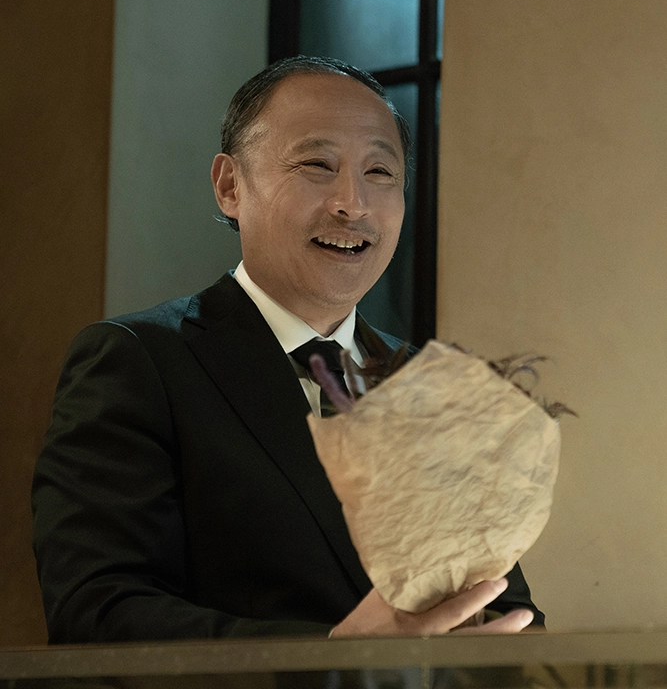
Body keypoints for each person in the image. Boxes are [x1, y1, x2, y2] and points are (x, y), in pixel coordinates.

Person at [32, 56, 543, 644]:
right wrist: (332, 660)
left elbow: (503, 606)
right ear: (230, 186)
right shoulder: (137, 362)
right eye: (317, 165)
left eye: (380, 171)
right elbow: (96, 612)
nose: (353, 203)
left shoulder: (435, 388)